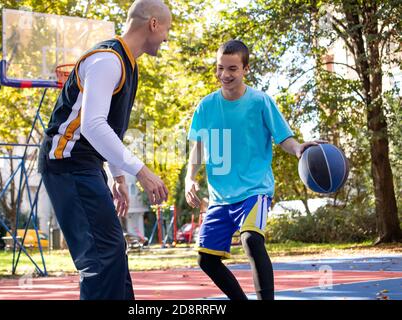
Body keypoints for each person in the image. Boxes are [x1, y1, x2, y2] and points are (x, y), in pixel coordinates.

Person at [38, 0, 171, 300]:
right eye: (166, 29)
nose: (166, 37)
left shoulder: (126, 63)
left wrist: (118, 176)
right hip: (66, 163)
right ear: (153, 24)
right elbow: (93, 125)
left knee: (111, 250)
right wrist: (141, 172)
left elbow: (106, 127)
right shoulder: (108, 60)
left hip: (84, 164)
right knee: (101, 254)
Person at [185, 40, 323, 300]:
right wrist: (189, 179)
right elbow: (198, 147)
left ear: (246, 69)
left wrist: (298, 150)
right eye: (220, 68)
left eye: (233, 69)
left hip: (254, 190)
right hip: (220, 197)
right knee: (206, 260)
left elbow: (283, 137)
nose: (224, 75)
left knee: (251, 240)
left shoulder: (261, 101)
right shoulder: (205, 106)